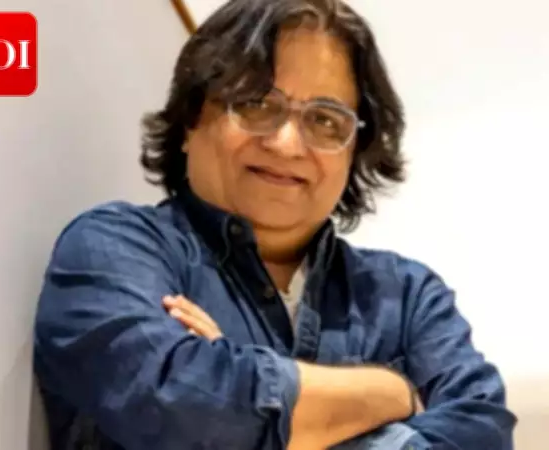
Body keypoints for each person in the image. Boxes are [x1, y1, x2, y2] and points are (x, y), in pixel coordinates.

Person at [33, 0, 517, 448]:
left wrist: (237, 388)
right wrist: (391, 394)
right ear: (190, 120)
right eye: (256, 103)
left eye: (325, 119)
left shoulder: (407, 299)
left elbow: (482, 434)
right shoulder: (113, 252)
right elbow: (176, 406)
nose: (287, 144)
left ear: (355, 150)